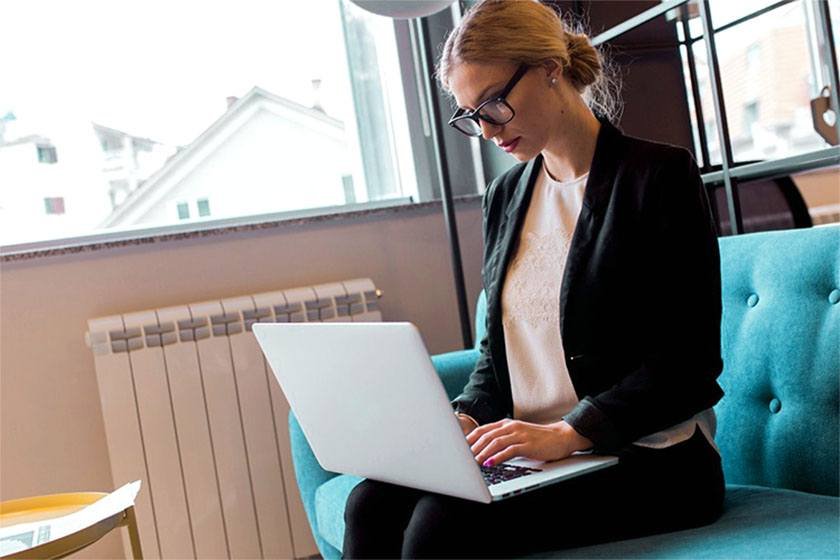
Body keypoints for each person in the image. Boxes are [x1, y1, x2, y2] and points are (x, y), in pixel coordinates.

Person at [343, 0, 725, 557]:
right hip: (534, 452)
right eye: (470, 115)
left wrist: (571, 433)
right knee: (370, 503)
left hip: (646, 459)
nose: (487, 129)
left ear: (550, 68)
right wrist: (461, 418)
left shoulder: (656, 177)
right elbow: (497, 360)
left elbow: (688, 365)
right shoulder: (507, 195)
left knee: (439, 527)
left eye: (495, 103)